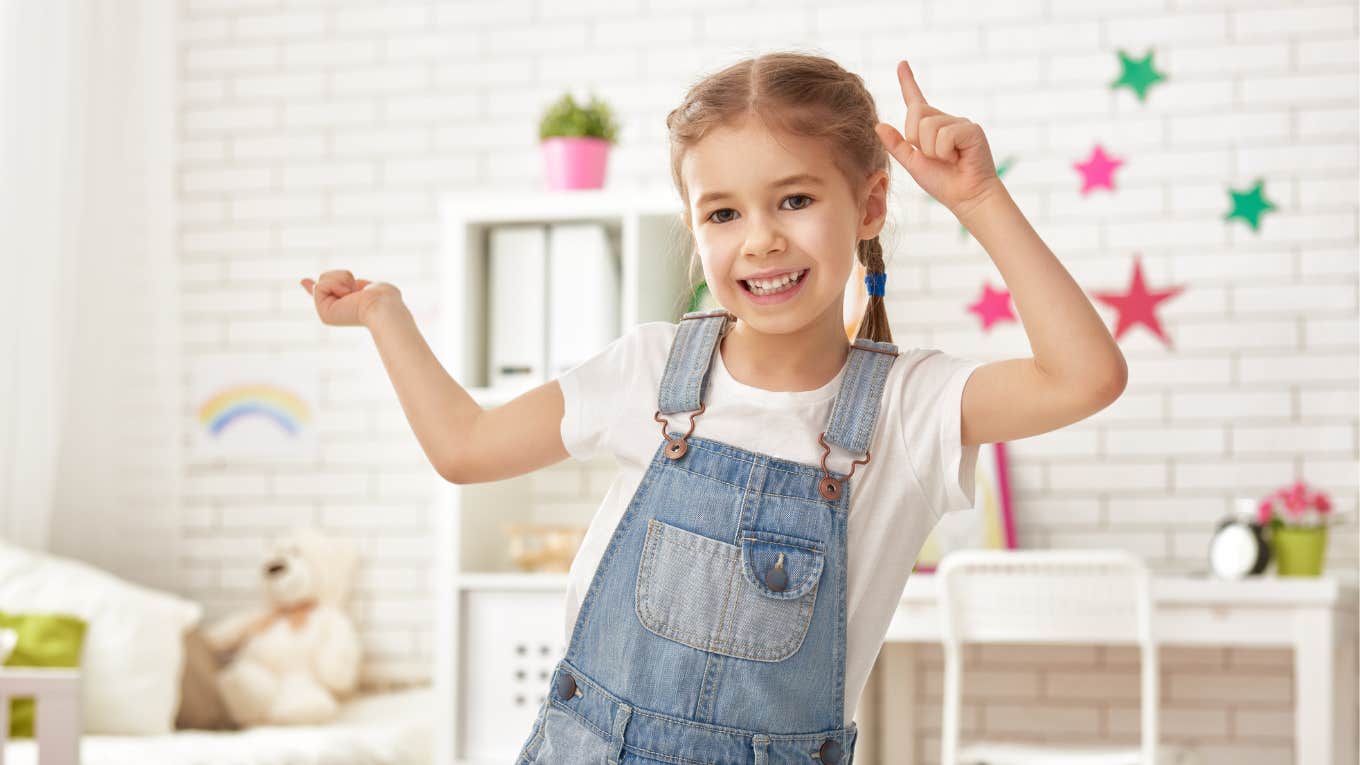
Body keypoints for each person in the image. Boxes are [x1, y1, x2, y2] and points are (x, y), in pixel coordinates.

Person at [301, 52, 1127, 764]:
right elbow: (465, 446)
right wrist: (385, 315)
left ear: (870, 206)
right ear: (694, 227)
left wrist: (978, 198)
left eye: (794, 200)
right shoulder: (651, 370)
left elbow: (1085, 375)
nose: (759, 238)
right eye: (723, 212)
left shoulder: (909, 407)